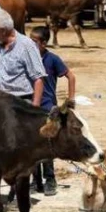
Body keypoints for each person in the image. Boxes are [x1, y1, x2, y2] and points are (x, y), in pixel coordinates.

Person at [30, 25, 76, 196]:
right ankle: (35, 181)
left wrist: (71, 99)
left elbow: (71, 76)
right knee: (32, 146)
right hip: (32, 106)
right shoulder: (28, 58)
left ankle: (50, 179)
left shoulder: (52, 59)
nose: (30, 44)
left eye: (34, 41)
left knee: (46, 145)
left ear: (43, 43)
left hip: (48, 107)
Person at [0, 9, 44, 107]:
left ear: (3, 30)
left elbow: (39, 78)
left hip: (19, 102)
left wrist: (35, 108)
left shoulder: (27, 46)